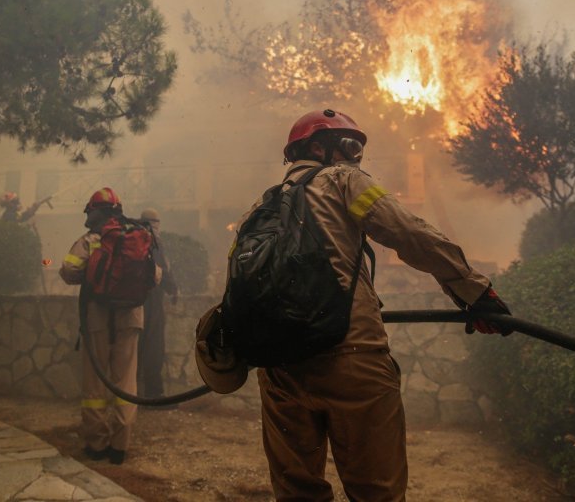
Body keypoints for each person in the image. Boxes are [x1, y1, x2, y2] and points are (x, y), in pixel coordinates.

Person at [197, 109, 512, 501]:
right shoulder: (344, 180)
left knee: (297, 493)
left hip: (280, 371)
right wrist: (474, 292)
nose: (355, 156)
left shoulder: (255, 212)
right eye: (350, 146)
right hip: (351, 359)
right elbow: (408, 232)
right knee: (375, 491)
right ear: (318, 147)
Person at [59, 187, 158, 465]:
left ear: (93, 212)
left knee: (95, 385)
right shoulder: (139, 235)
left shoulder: (91, 239)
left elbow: (68, 271)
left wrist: (95, 275)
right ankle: (120, 445)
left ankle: (97, 443)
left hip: (98, 319)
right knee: (125, 381)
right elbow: (155, 276)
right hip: (130, 318)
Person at [136, 208, 179, 398]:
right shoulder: (154, 241)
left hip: (133, 301)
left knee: (134, 349)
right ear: (155, 223)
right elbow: (163, 271)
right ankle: (154, 393)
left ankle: (131, 394)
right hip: (152, 300)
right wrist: (173, 289)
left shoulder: (132, 240)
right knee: (154, 347)